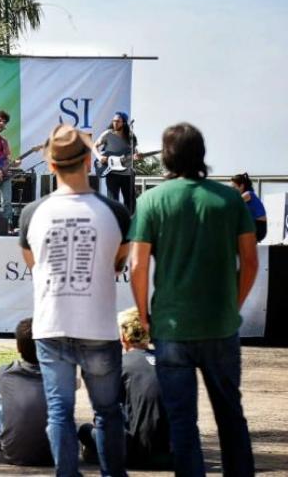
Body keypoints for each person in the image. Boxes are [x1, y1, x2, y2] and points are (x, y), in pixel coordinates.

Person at [130, 122, 257, 476]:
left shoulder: (152, 200)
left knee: (182, 423)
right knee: (231, 416)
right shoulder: (230, 199)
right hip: (220, 324)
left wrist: (143, 315)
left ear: (167, 157)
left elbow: (138, 265)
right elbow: (249, 261)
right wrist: (234, 303)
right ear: (201, 154)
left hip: (171, 328)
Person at [19, 124, 131, 476]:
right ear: (88, 161)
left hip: (51, 324)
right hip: (98, 326)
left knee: (59, 412)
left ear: (51, 166)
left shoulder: (30, 213)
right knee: (108, 412)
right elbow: (118, 264)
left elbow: (32, 264)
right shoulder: (115, 211)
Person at [78, 308, 172, 470]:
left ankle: (98, 455)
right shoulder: (168, 362)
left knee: (85, 430)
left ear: (123, 336)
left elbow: (105, 414)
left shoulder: (119, 364)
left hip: (134, 454)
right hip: (171, 454)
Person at [0, 317, 52, 467]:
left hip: (12, 453)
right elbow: (75, 384)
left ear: (18, 347)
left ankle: (10, 432)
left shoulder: (5, 372)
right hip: (56, 453)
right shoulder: (59, 375)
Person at [93, 111, 139, 213]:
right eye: (114, 121)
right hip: (112, 173)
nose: (115, 123)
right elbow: (94, 146)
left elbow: (134, 152)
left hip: (127, 174)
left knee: (131, 204)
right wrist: (99, 157)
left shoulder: (131, 137)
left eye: (118, 121)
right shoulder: (108, 134)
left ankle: (130, 225)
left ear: (124, 123)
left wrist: (135, 156)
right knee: (113, 203)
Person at [231, 172, 267, 242]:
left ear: (241, 186)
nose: (232, 190)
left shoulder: (248, 194)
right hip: (255, 225)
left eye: (234, 187)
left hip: (258, 227)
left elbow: (233, 204)